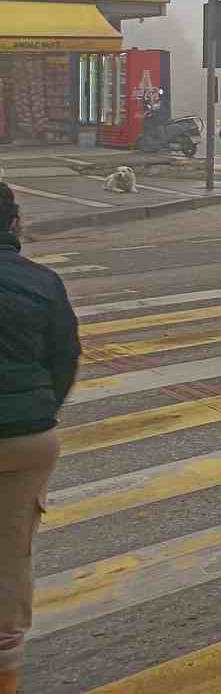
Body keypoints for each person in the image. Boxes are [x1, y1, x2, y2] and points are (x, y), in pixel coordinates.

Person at [0, 183, 80, 693]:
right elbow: (65, 357)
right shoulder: (42, 282)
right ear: (14, 224)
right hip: (28, 440)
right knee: (10, 560)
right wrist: (34, 410)